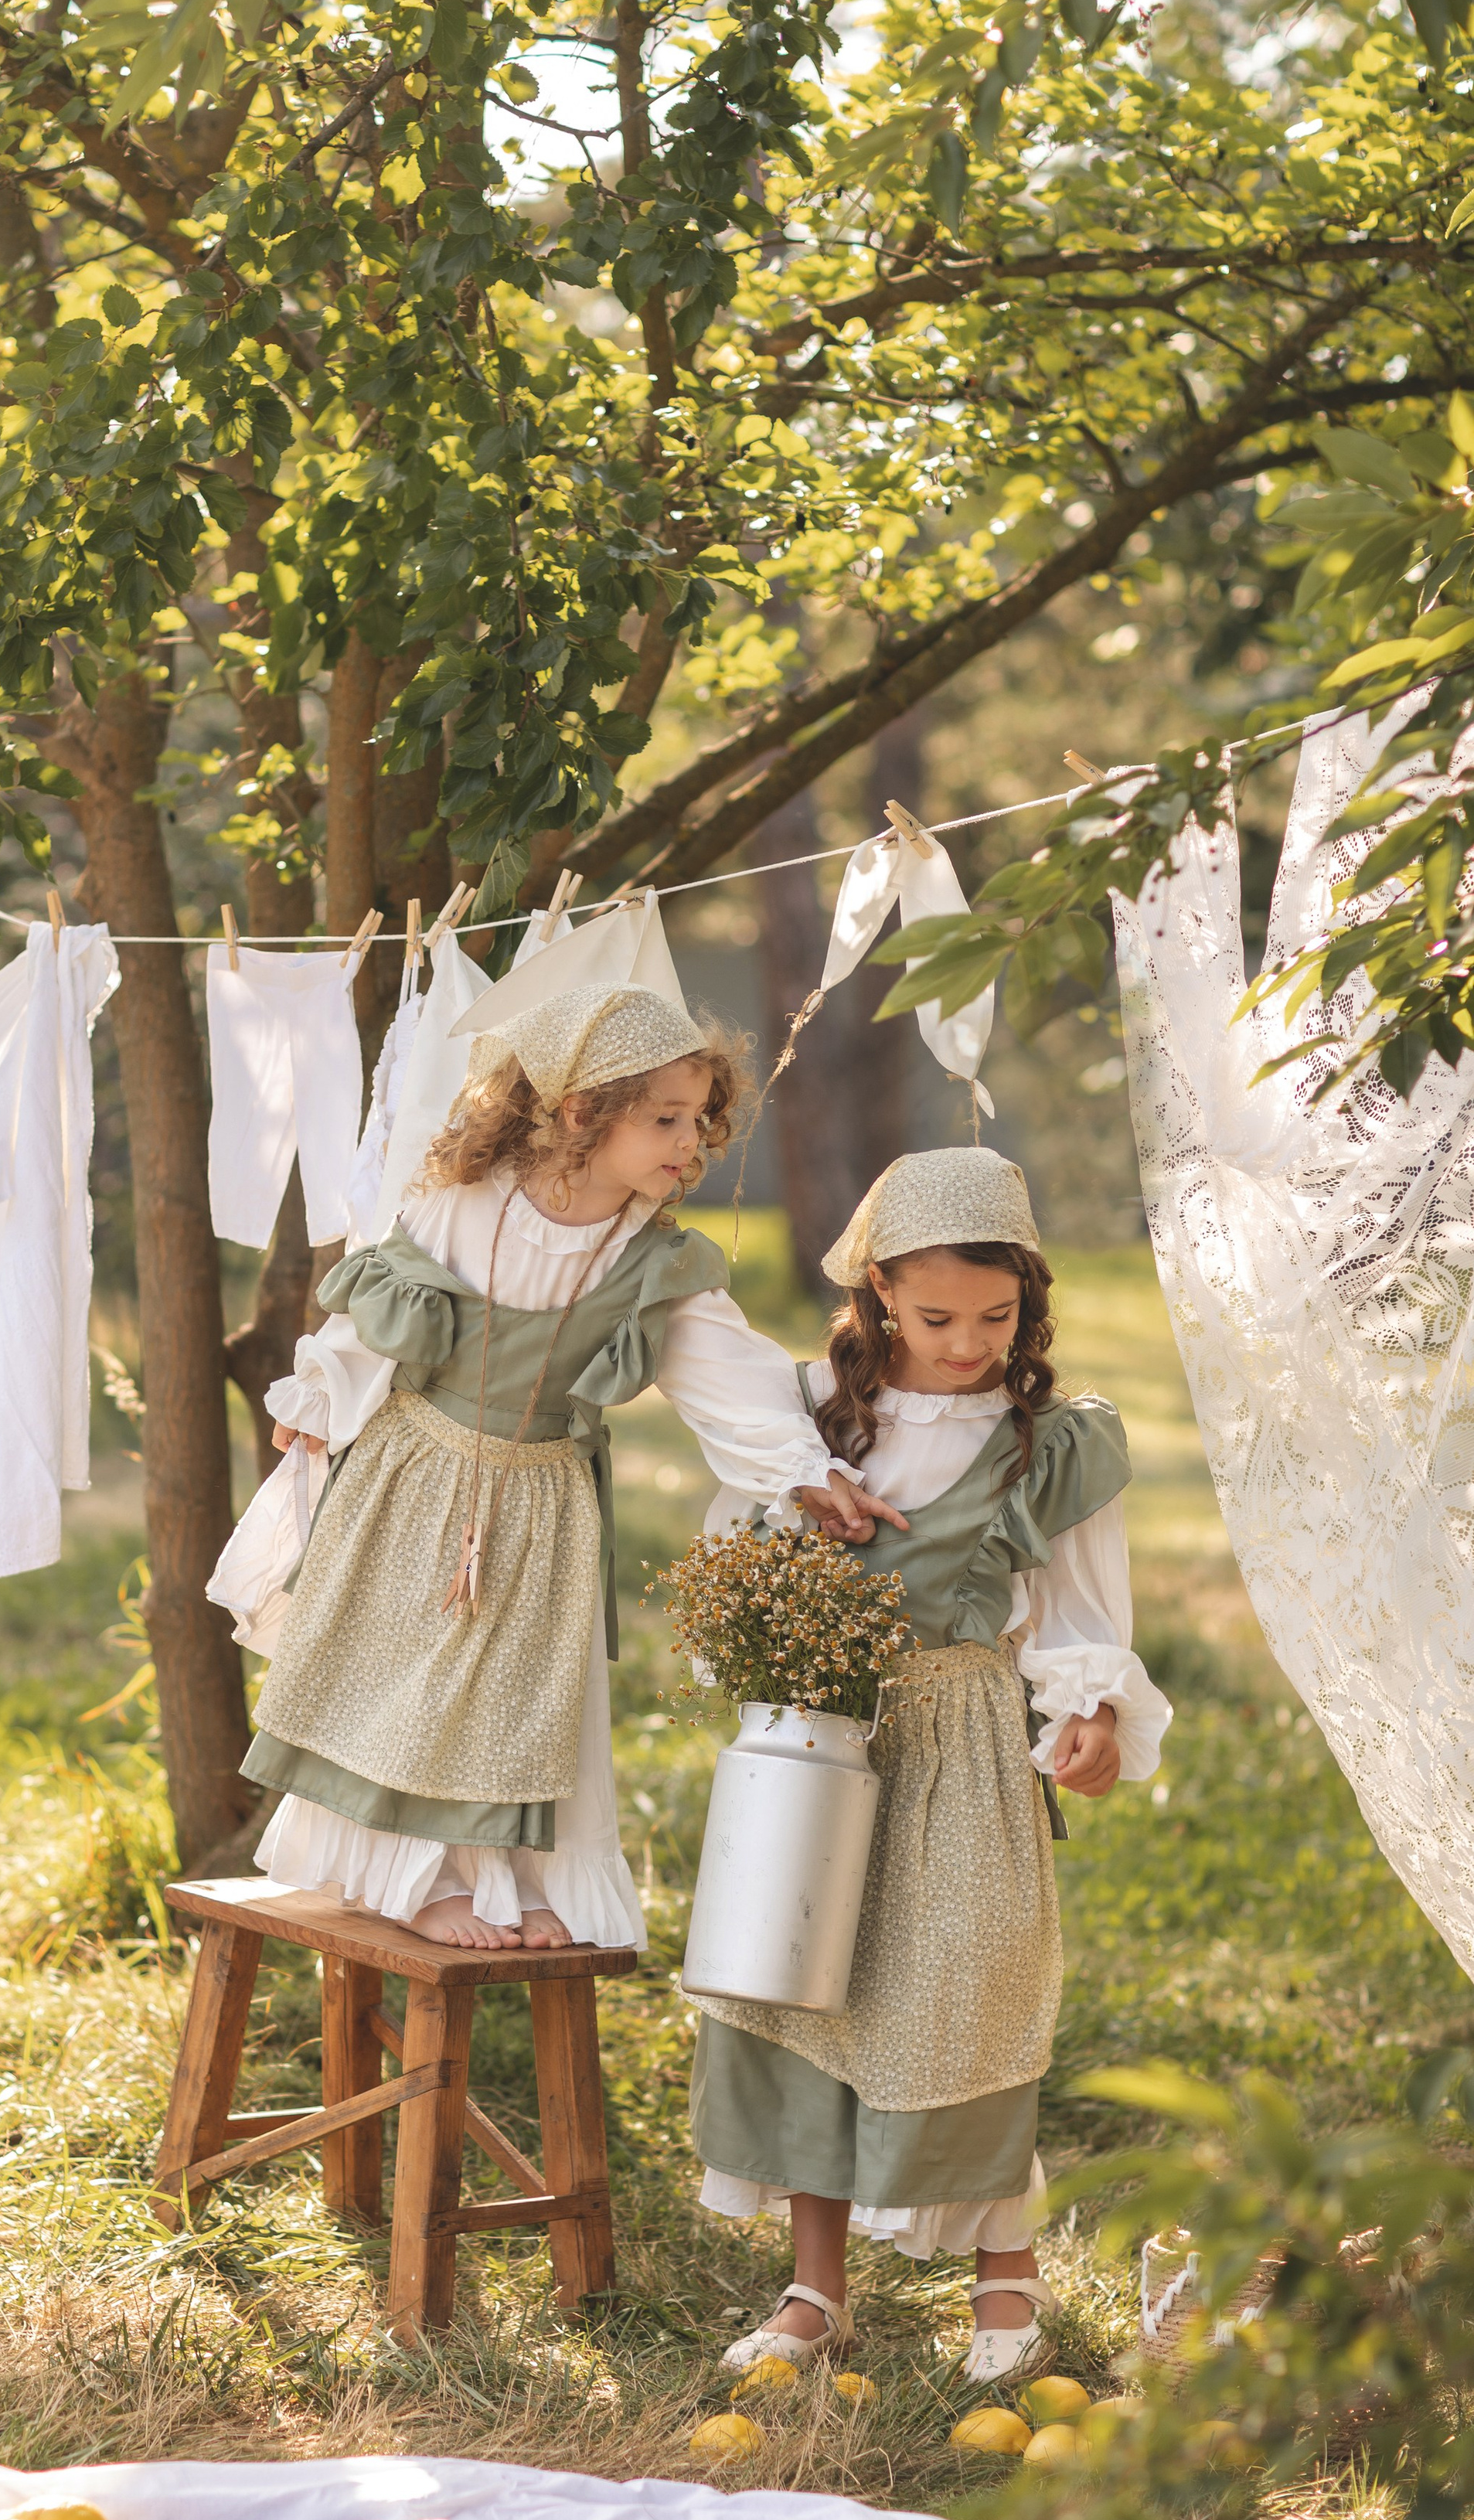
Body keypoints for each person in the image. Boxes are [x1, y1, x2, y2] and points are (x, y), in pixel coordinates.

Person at [687, 1147, 1171, 2384]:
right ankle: (815, 2287)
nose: (969, 1344)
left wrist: (1094, 1716)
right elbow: (735, 1556)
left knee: (966, 1990)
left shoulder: (1047, 1442)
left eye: (997, 1318)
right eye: (938, 1316)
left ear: (1031, 1302)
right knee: (807, 1988)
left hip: (962, 1742)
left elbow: (1079, 1613)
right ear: (879, 1296)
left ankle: (1002, 2267)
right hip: (818, 1739)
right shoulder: (802, 1418)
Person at [229, 980, 843, 1953]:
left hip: (542, 1494)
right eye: (666, 1120)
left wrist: (804, 1467)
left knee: (516, 1694)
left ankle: (504, 1883)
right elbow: (369, 1319)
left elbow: (730, 1373)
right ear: (579, 1113)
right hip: (417, 1476)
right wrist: (316, 1403)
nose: (691, 1144)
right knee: (413, 1678)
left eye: (699, 1122)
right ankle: (411, 1877)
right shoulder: (464, 1206)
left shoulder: (650, 1259)